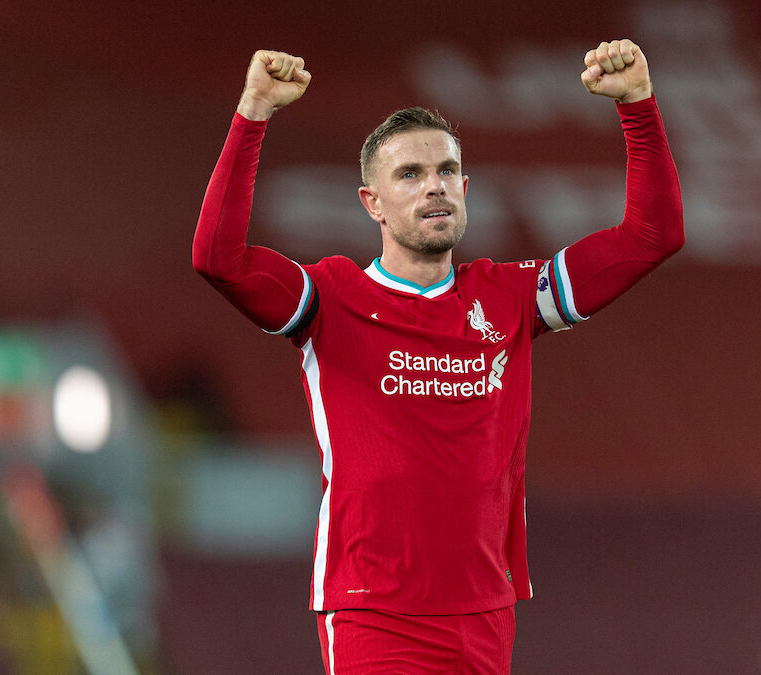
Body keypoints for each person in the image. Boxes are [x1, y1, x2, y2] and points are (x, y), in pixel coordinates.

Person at [193, 40, 683, 674]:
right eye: (409, 174)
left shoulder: (511, 297)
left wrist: (638, 106)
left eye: (447, 171)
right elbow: (218, 259)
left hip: (486, 609)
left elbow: (653, 235)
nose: (435, 187)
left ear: (466, 187)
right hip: (374, 612)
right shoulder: (331, 299)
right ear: (371, 202)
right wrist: (253, 111)